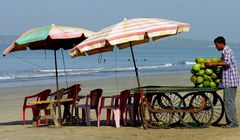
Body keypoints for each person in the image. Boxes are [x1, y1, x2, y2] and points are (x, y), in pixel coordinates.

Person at [206, 36, 239, 128]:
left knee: (228, 102)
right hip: (228, 81)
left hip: (230, 81)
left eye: (216, 45)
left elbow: (226, 63)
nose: (216, 47)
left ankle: (233, 123)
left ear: (221, 44)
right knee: (228, 101)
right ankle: (231, 122)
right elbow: (222, 61)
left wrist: (213, 64)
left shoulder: (227, 51)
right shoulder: (225, 51)